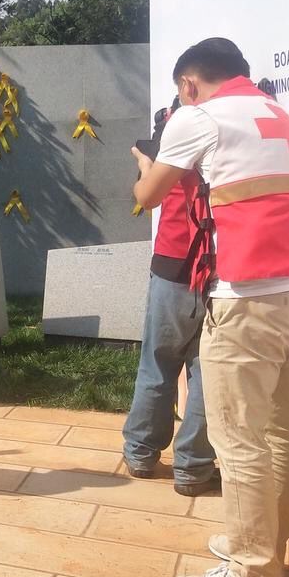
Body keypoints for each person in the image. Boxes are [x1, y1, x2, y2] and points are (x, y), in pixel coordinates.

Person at [132, 38, 289, 577]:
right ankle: (266, 550)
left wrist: (145, 164)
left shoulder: (198, 116)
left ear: (188, 84)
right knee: (279, 431)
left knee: (239, 440)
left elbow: (147, 197)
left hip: (253, 295)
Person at [121, 101, 219, 498]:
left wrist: (146, 166)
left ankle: (140, 454)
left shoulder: (175, 138)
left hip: (172, 267)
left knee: (158, 364)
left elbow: (147, 196)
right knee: (207, 375)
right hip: (219, 269)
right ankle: (193, 469)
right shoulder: (227, 136)